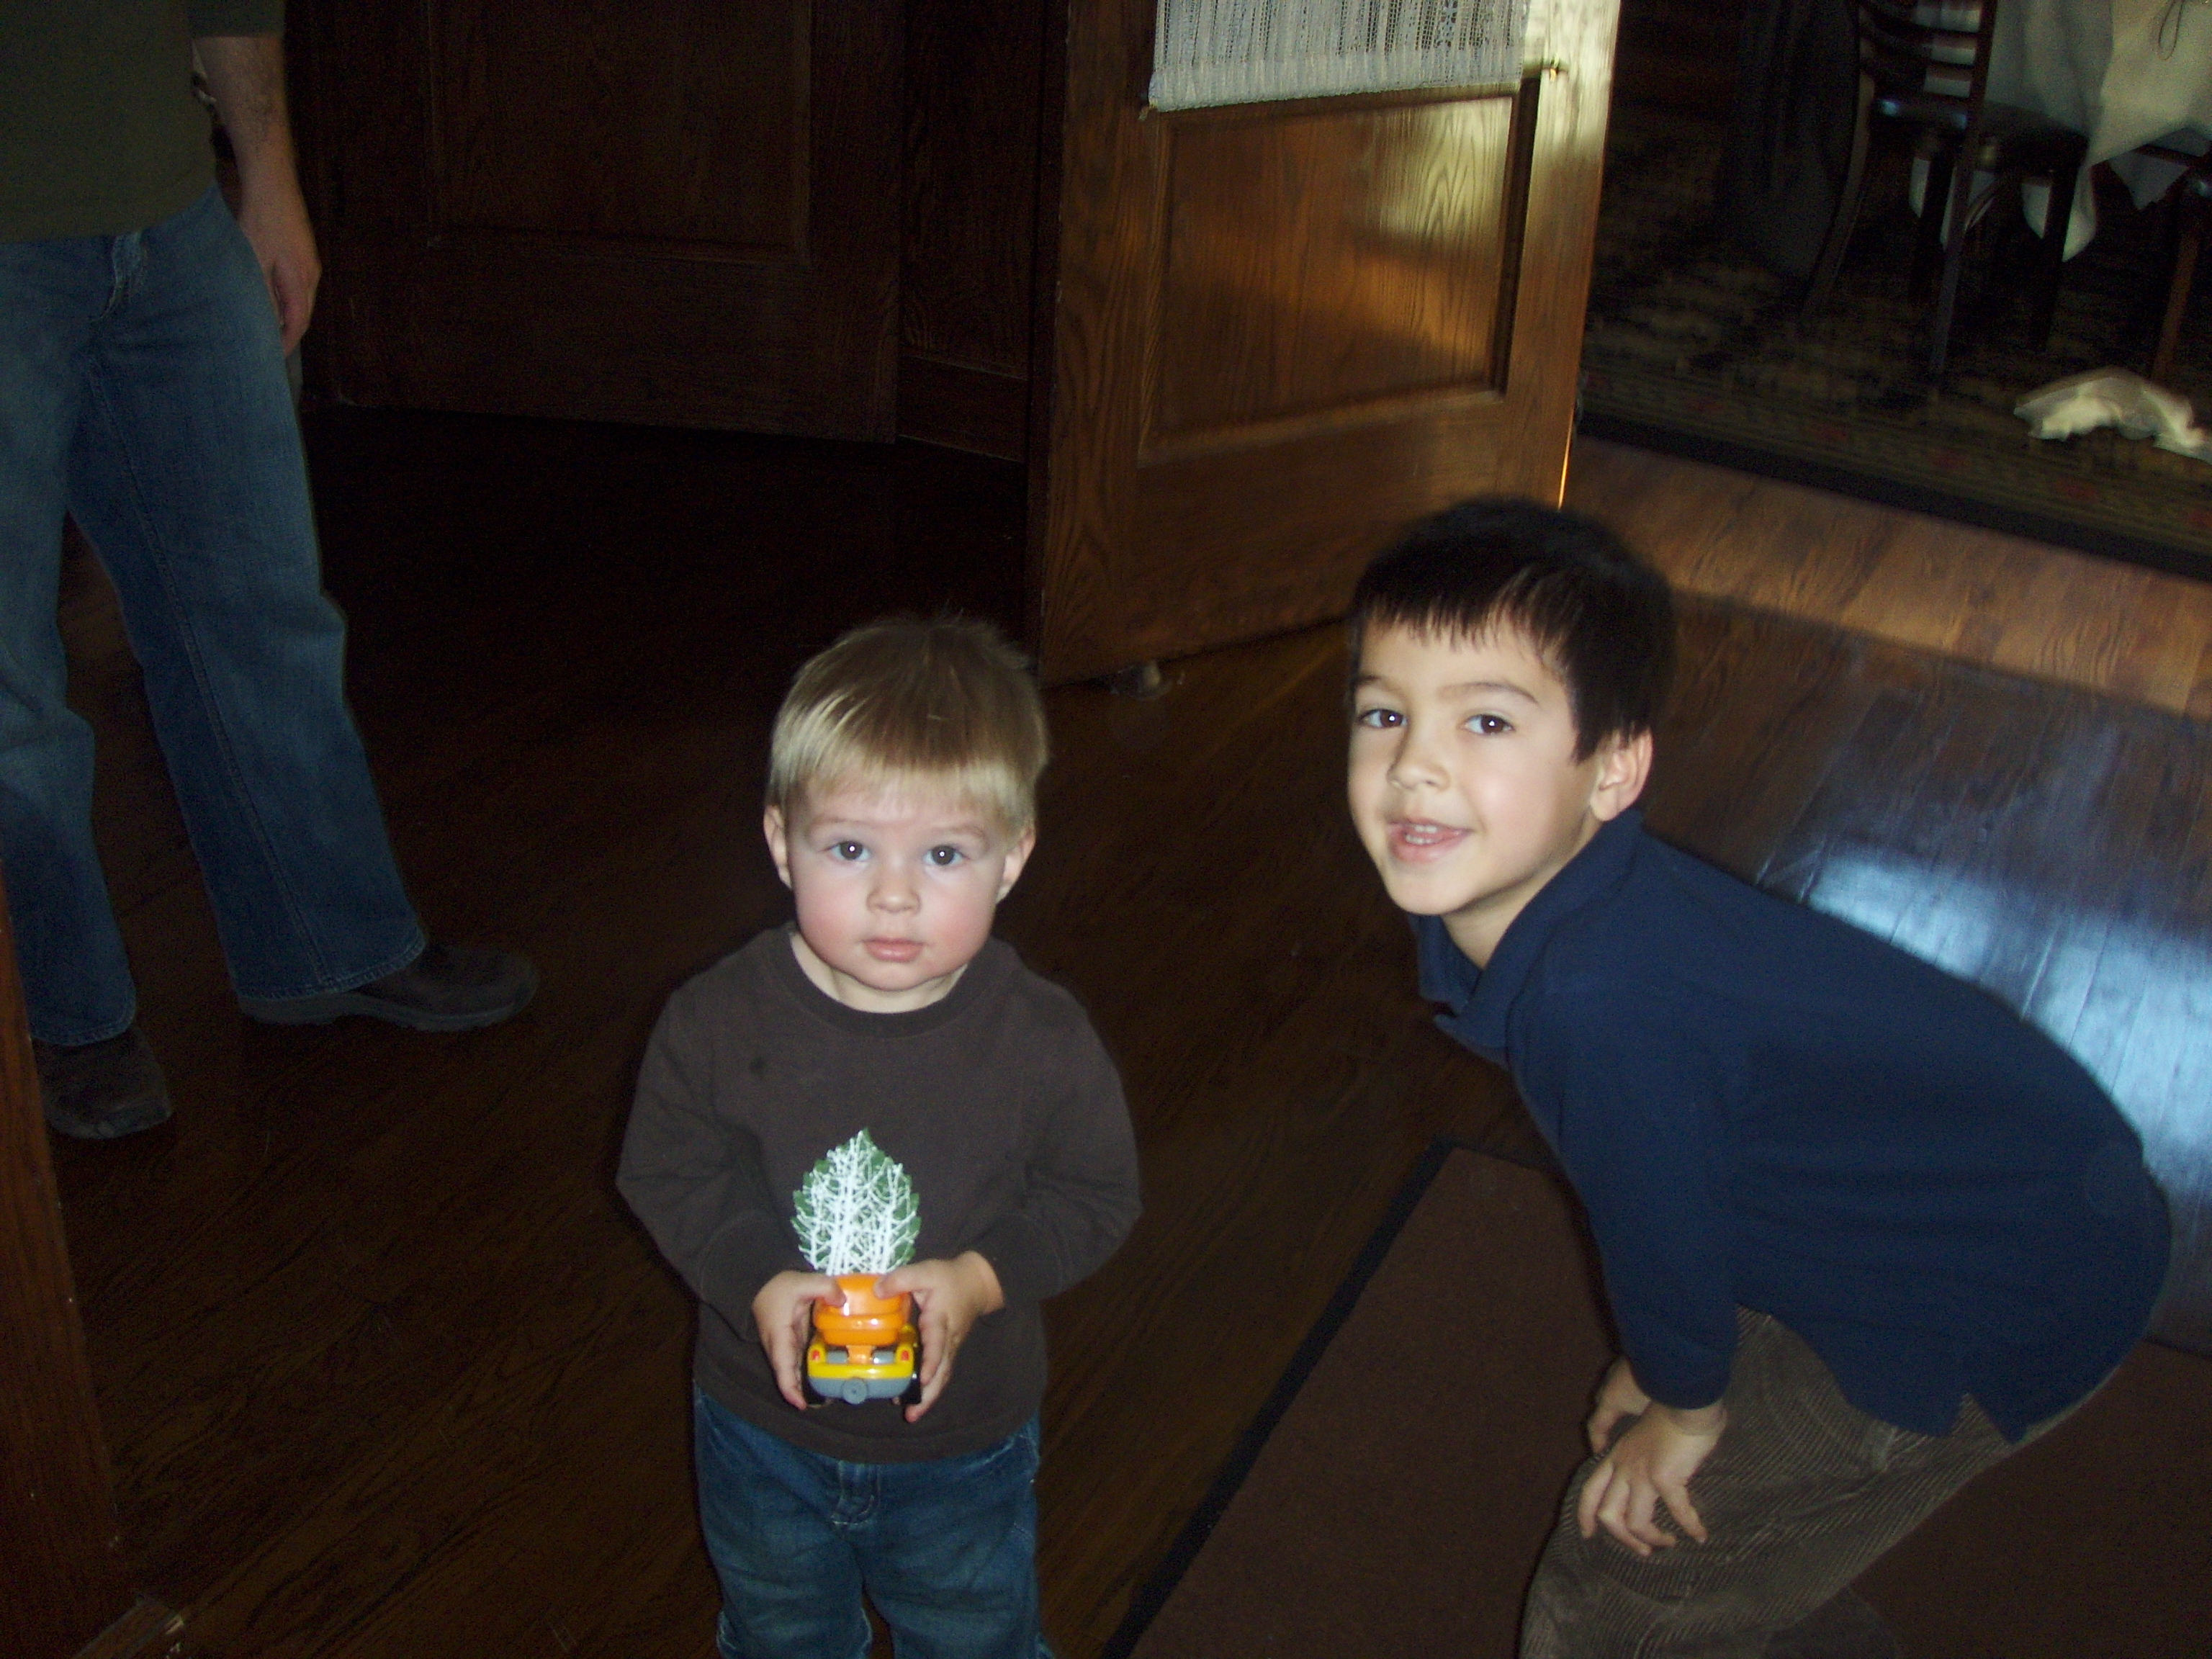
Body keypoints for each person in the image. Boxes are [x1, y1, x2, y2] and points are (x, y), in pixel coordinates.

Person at [1341, 500, 2170, 1657]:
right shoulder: (1536, 910)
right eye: (1385, 712)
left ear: (1613, 769)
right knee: (1737, 1535)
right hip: (1969, 1208)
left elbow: (1658, 1220)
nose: (1414, 765)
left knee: (1622, 1578)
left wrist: (1685, 1402)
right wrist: (1670, 1362)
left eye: (1486, 720)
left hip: (1984, 1295)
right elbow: (1681, 1165)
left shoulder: (1602, 997)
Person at [3, 2, 535, 1141]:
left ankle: (327, 944)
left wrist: (267, 171)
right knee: (7, 688)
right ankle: (61, 1020)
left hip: (169, 211)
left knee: (259, 611)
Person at [619, 617, 1141, 1659]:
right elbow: (669, 1171)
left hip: (963, 1440)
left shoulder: (1041, 1042)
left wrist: (981, 1281)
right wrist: (758, 1278)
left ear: (1012, 859)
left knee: (972, 1633)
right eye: (850, 848)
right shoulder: (715, 1020)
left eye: (944, 854)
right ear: (782, 843)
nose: (894, 895)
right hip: (760, 1428)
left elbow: (1095, 1197)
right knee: (781, 1632)